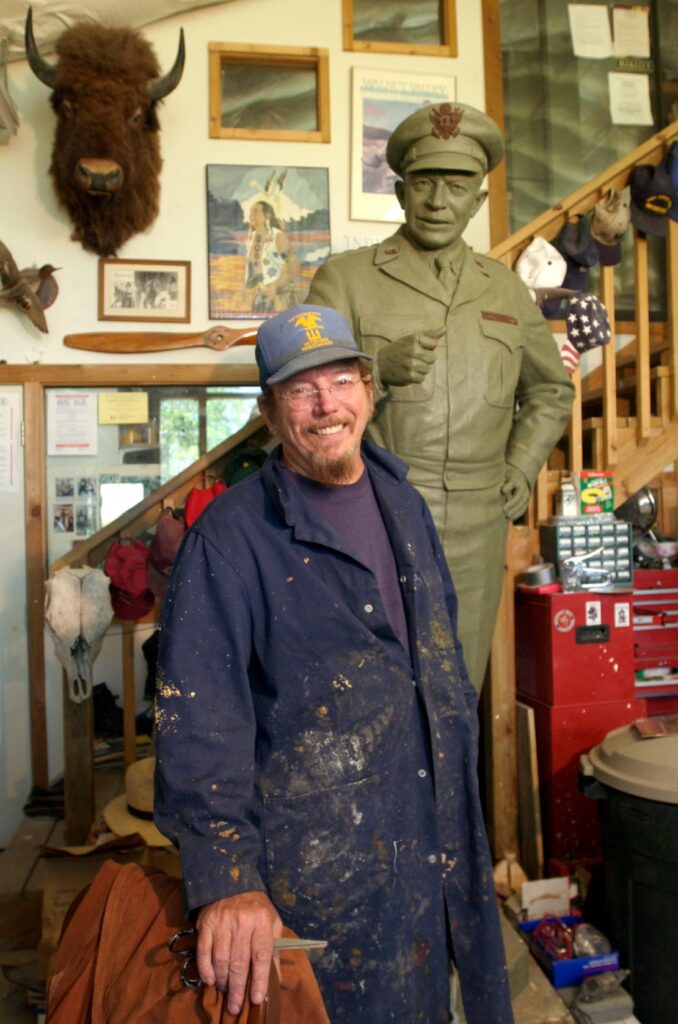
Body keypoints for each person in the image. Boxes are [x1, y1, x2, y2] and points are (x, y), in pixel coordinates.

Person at [154, 303, 514, 1024]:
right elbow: (199, 720)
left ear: (369, 392)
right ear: (268, 411)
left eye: (341, 381)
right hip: (320, 869)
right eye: (300, 389)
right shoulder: (229, 540)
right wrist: (227, 881)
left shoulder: (405, 506)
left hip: (434, 836)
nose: (326, 407)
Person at [306, 102, 575, 691]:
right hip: (374, 509)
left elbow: (552, 390)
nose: (437, 202)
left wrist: (521, 467)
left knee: (457, 689)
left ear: (477, 201)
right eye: (424, 183)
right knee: (371, 691)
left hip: (480, 521)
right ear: (401, 192)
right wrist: (375, 371)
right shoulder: (345, 278)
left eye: (456, 187)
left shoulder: (504, 286)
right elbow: (299, 391)